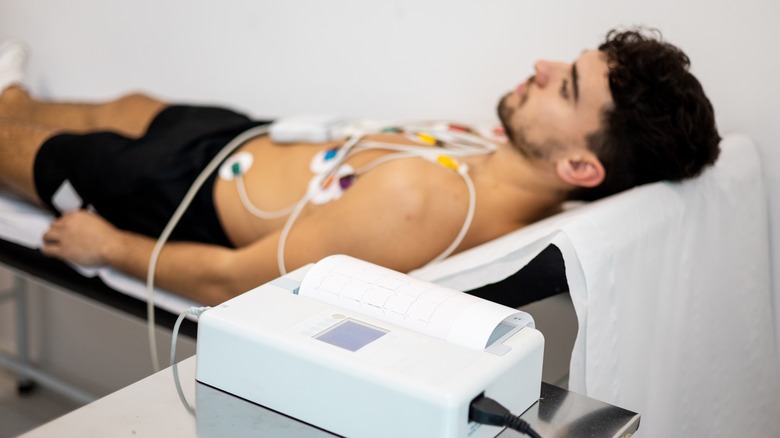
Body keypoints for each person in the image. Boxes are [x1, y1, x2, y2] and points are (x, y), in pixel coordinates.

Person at [0, 28, 720, 305]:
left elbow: (234, 282)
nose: (541, 63)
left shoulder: (423, 204)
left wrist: (112, 248)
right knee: (123, 104)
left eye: (565, 85)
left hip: (175, 196)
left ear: (580, 166)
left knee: (20, 150)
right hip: (236, 142)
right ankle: (10, 91)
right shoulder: (495, 160)